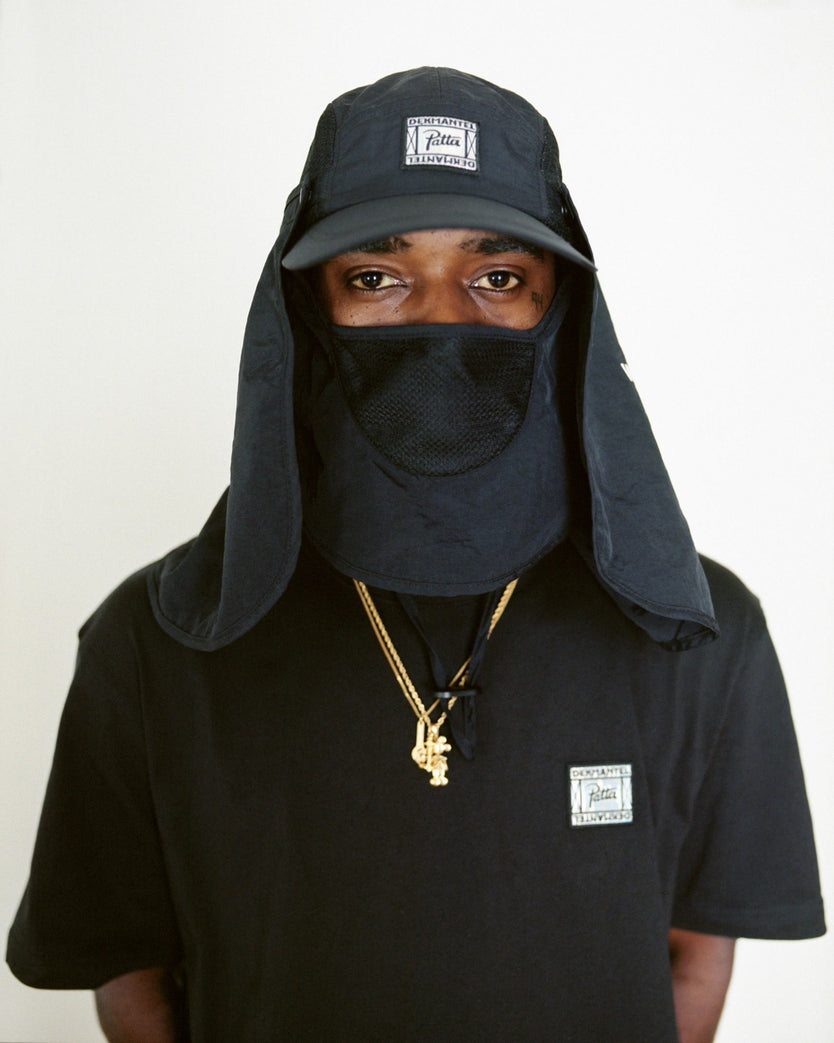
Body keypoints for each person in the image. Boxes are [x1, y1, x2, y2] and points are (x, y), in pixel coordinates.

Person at [6, 67, 825, 1042]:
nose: (443, 321)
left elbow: (693, 955)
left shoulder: (699, 634)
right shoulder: (154, 641)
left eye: (498, 277)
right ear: (306, 312)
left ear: (561, 308)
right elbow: (129, 972)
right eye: (376, 278)